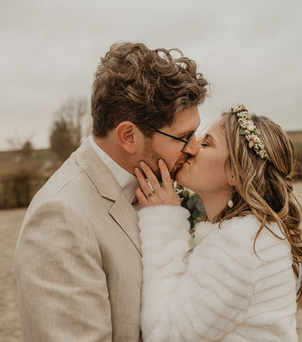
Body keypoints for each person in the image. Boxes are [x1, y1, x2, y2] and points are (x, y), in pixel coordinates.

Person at [13, 42, 208, 342]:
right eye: (183, 137)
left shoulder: (164, 187)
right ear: (128, 136)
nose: (194, 148)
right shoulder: (60, 217)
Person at [135, 105, 302, 342]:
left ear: (235, 174)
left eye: (207, 143)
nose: (193, 147)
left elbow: (165, 334)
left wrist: (162, 221)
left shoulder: (241, 247)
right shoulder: (254, 234)